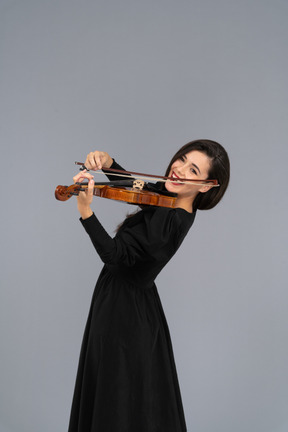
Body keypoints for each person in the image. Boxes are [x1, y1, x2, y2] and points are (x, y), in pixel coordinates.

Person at [68, 139, 230, 432]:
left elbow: (115, 256)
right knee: (124, 390)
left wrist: (86, 211)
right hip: (131, 302)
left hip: (124, 311)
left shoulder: (172, 225)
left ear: (206, 186)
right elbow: (135, 190)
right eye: (181, 159)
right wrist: (107, 162)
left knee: (117, 393)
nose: (178, 169)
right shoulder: (170, 195)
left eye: (193, 169)